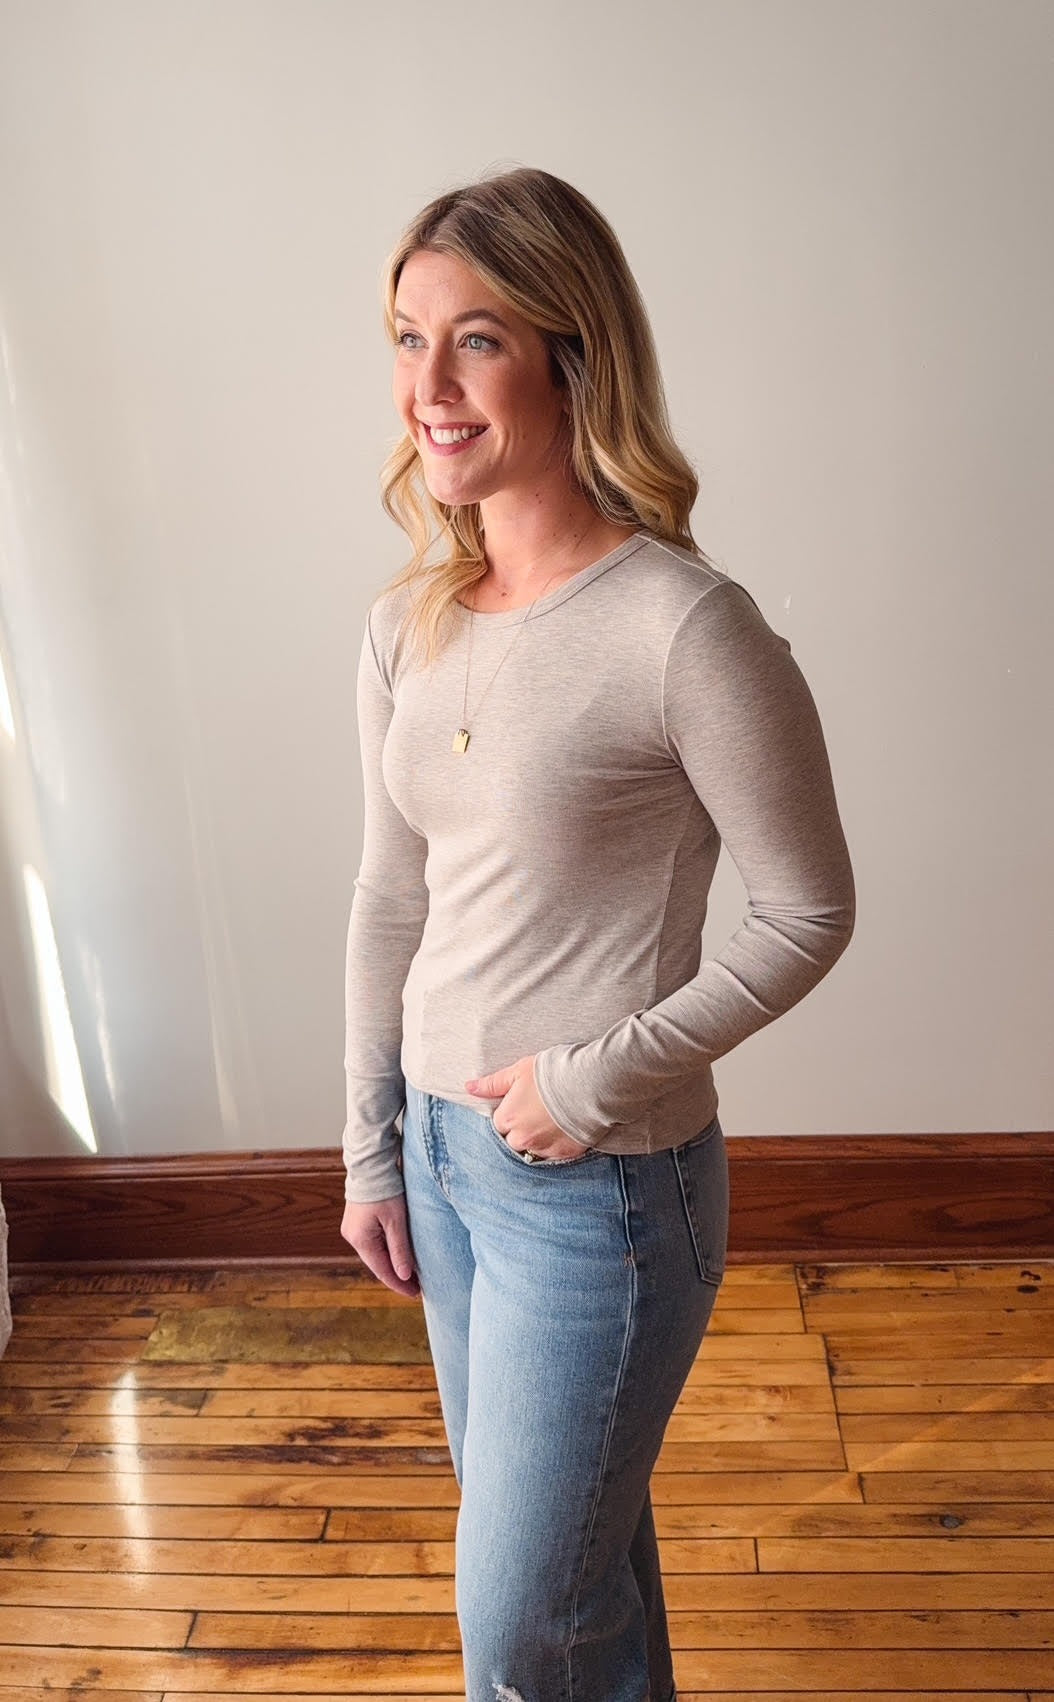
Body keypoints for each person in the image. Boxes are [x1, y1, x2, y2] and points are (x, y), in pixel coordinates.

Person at [339, 165, 856, 1702]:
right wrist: (373, 1142)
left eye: (475, 339)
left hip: (601, 1192)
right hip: (441, 1161)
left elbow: (808, 909)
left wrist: (588, 1081)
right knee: (578, 1592)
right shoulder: (407, 621)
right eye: (405, 336)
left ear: (573, 354)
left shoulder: (682, 627)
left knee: (519, 1625)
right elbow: (389, 894)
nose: (426, 386)